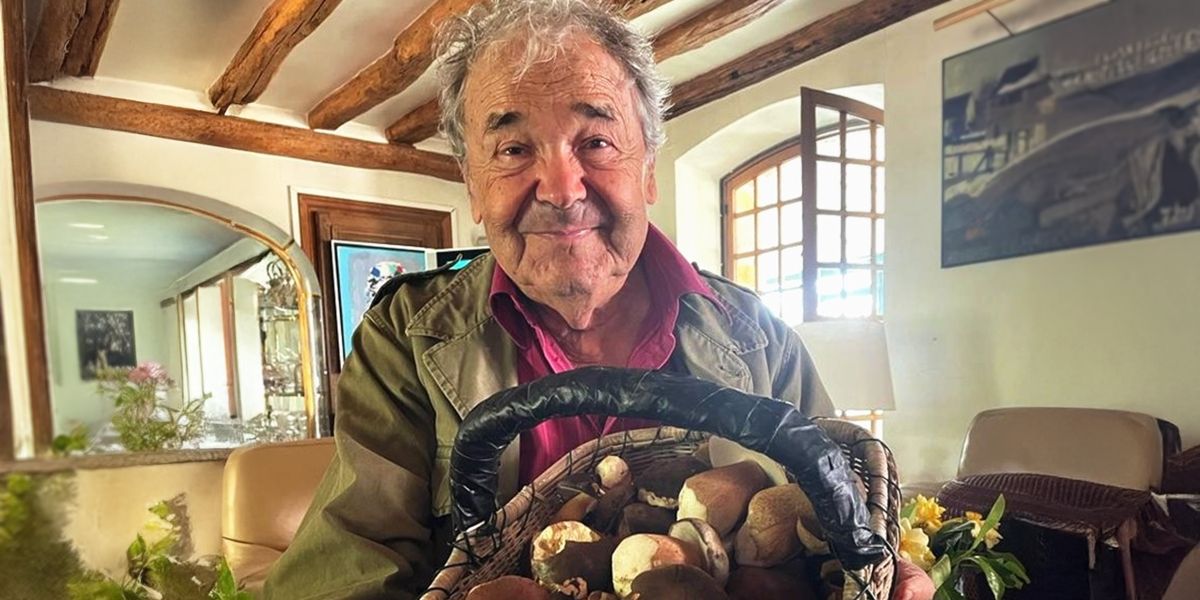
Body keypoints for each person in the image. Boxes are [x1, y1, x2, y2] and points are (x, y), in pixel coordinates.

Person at [264, 1, 933, 598]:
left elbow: (843, 513)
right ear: (472, 186)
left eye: (597, 141)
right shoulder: (406, 336)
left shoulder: (756, 333)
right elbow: (342, 569)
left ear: (647, 170)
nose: (560, 188)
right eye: (514, 147)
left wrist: (894, 569)